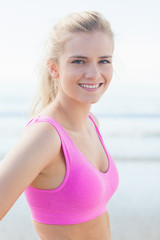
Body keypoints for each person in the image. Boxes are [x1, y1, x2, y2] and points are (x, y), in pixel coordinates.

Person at [0, 11, 119, 240]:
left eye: (104, 60)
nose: (94, 73)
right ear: (54, 68)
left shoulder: (91, 123)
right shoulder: (45, 136)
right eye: (79, 61)